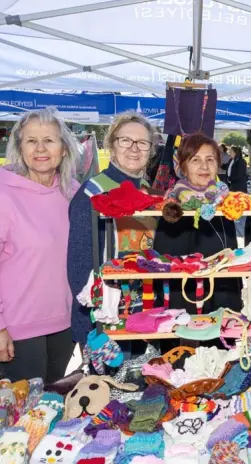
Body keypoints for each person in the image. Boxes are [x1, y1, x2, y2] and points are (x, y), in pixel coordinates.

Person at [0, 107, 80, 382]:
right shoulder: (0, 197)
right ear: (20, 148)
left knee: (54, 398)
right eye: (31, 141)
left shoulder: (73, 193)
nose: (40, 148)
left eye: (49, 140)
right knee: (27, 406)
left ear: (64, 148)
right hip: (16, 330)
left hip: (65, 325)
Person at [67, 111, 159, 346]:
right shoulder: (92, 192)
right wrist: (93, 326)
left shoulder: (148, 191)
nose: (134, 148)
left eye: (142, 143)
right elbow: (78, 265)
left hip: (146, 313)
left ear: (151, 150)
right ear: (111, 145)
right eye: (125, 140)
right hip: (106, 318)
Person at [153, 132, 241, 313]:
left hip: (221, 302)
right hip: (182, 306)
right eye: (195, 160)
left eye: (210, 159)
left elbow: (231, 266)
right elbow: (165, 269)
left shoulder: (224, 204)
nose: (204, 166)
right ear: (183, 168)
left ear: (218, 165)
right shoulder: (172, 209)